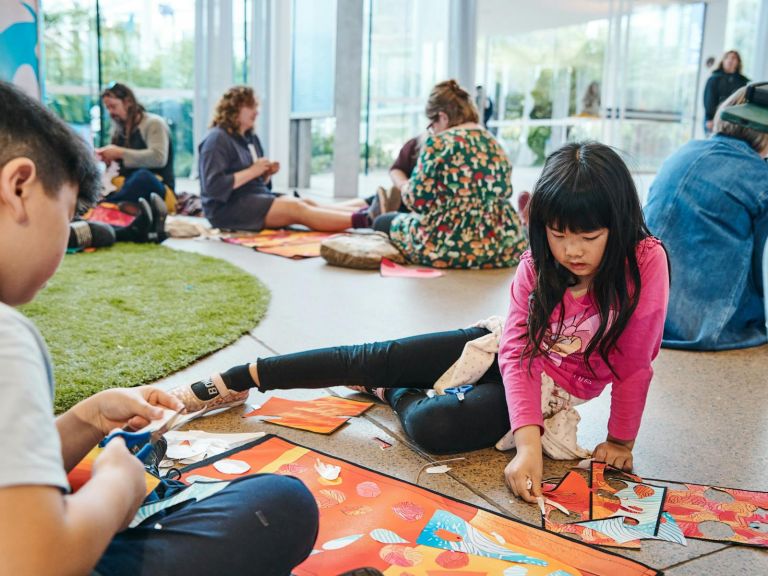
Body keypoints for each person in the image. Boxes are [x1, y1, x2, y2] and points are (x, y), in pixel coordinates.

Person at [170, 142, 670, 508]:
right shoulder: (537, 265)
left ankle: (390, 391)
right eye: (559, 235)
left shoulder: (645, 263)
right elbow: (515, 353)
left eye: (589, 236)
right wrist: (529, 446)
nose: (572, 250)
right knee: (373, 353)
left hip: (550, 392)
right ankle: (240, 377)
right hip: (497, 351)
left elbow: (635, 362)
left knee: (435, 426)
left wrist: (621, 441)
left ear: (619, 226)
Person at [0, 81, 318, 576]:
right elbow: (38, 560)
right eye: (66, 218)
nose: (66, 245)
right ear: (18, 187)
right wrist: (117, 489)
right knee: (283, 501)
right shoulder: (7, 338)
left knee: (131, 455)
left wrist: (88, 419)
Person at [645, 87, 768, 350]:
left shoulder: (683, 152)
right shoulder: (759, 177)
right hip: (706, 327)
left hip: (640, 312)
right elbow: (763, 268)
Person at [375, 79, 527, 269]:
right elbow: (504, 192)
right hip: (497, 246)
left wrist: (405, 186)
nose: (433, 130)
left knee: (383, 222)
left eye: (432, 124)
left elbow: (417, 201)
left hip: (443, 245)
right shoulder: (494, 144)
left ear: (443, 117)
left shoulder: (438, 144)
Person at [199, 86, 375, 232]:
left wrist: (264, 175)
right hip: (226, 209)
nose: (256, 112)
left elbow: (255, 182)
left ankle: (366, 207)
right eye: (251, 106)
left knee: (304, 202)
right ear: (234, 108)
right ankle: (366, 219)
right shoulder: (217, 139)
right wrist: (253, 171)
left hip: (250, 197)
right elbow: (214, 187)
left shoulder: (249, 138)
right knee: (296, 209)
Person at [97, 82, 176, 210]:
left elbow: (158, 158)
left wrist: (119, 152)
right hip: (127, 185)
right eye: (107, 108)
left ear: (128, 102)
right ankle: (111, 203)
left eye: (113, 106)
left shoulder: (154, 123)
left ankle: (109, 205)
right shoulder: (119, 130)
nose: (111, 112)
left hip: (158, 188)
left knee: (142, 177)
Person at [703, 50, 749, 134]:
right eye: (727, 58)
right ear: (723, 61)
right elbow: (709, 100)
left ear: (738, 62)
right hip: (713, 119)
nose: (730, 60)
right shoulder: (714, 78)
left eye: (734, 58)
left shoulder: (743, 82)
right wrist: (710, 118)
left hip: (733, 121)